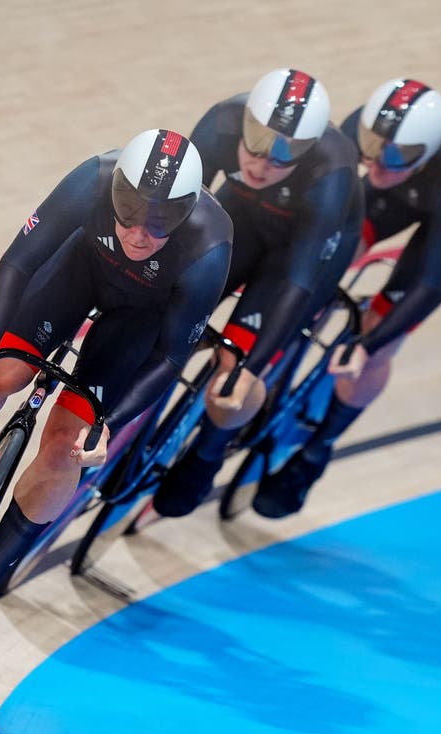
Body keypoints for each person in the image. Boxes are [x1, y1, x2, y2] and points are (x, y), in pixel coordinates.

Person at [0, 129, 233, 642]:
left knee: (66, 451)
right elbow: (17, 264)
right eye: (130, 209)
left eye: (162, 220)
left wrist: (107, 425)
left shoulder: (210, 244)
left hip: (138, 322)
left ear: (186, 213)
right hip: (75, 274)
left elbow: (170, 355)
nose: (141, 232)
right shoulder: (91, 179)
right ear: (115, 188)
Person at [252, 78, 441, 518]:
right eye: (374, 145)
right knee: (331, 253)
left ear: (424, 151)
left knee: (379, 338)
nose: (380, 162)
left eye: (396, 154)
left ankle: (316, 452)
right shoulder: (372, 138)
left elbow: (429, 284)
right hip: (413, 183)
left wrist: (367, 346)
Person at [151, 67, 365, 517]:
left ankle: (207, 452)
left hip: (300, 255)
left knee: (235, 367)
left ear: (306, 152)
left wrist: (252, 365)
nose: (262, 162)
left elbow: (299, 279)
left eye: (284, 155)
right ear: (246, 120)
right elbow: (180, 215)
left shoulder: (333, 168)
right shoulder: (221, 122)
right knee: (169, 305)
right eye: (258, 141)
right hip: (242, 218)